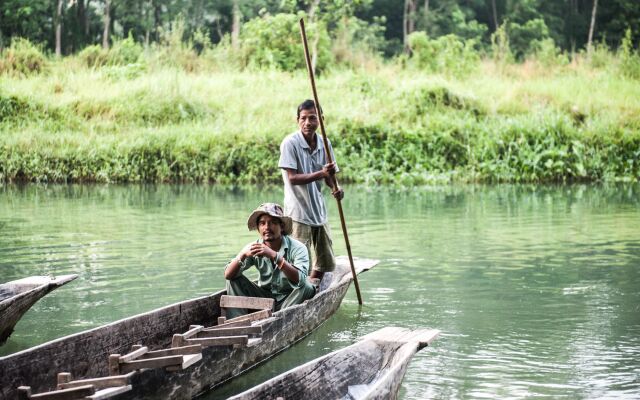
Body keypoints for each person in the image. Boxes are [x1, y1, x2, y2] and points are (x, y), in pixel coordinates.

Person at [278, 99, 344, 286]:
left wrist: (335, 188)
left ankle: (312, 287)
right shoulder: (290, 143)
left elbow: (329, 175)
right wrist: (321, 173)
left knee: (325, 260)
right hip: (298, 212)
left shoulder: (325, 143)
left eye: (312, 118)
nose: (307, 123)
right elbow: (292, 178)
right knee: (299, 261)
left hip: (318, 211)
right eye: (303, 118)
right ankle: (299, 290)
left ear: (320, 120)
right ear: (297, 120)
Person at [224, 203, 316, 318]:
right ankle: (237, 322)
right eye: (262, 223)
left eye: (273, 222)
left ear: (281, 227)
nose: (267, 227)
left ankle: (279, 318)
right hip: (264, 298)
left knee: (306, 287)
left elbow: (301, 280)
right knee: (233, 279)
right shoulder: (254, 248)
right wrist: (242, 255)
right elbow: (228, 275)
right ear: (258, 228)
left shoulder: (298, 248)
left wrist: (274, 256)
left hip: (290, 297)